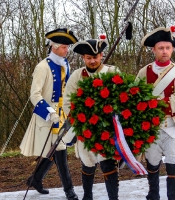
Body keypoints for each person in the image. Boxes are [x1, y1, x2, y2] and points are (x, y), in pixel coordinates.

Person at [135, 26, 175, 200]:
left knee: (174, 162)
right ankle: (153, 195)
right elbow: (136, 97)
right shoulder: (144, 72)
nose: (165, 51)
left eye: (168, 48)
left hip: (172, 125)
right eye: (161, 48)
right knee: (152, 162)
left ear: (172, 49)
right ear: (153, 50)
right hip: (151, 127)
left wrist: (151, 104)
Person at [19, 28, 79, 200]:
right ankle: (69, 190)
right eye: (64, 47)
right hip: (47, 114)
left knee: (53, 150)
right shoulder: (42, 67)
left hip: (63, 113)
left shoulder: (65, 64)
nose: (67, 50)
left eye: (67, 47)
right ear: (54, 47)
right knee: (59, 151)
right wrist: (50, 112)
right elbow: (34, 95)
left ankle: (35, 179)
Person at [62, 38, 119, 200]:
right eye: (88, 58)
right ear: (83, 58)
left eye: (95, 57)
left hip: (107, 128)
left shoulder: (112, 72)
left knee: (108, 164)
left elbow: (121, 98)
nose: (92, 61)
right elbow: (67, 101)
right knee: (88, 163)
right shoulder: (77, 76)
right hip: (85, 127)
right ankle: (87, 196)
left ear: (101, 55)